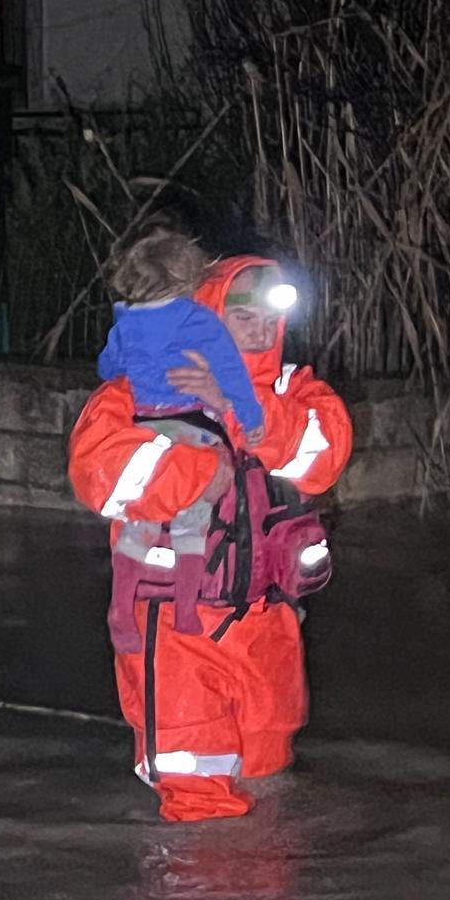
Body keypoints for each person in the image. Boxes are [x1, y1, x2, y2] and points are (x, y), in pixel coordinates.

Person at [69, 230, 353, 822]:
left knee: (270, 787)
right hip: (176, 629)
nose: (254, 328)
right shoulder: (136, 394)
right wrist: (206, 468)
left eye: (263, 316)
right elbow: (104, 478)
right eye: (237, 313)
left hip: (269, 627)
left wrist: (236, 407)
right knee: (198, 802)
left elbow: (322, 457)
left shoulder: (294, 391)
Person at [96, 221, 265, 653]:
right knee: (194, 518)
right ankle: (187, 609)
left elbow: (108, 368)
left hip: (148, 429)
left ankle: (120, 606)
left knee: (144, 518)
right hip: (195, 427)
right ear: (185, 276)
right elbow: (230, 372)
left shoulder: (126, 322)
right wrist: (248, 414)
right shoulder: (197, 320)